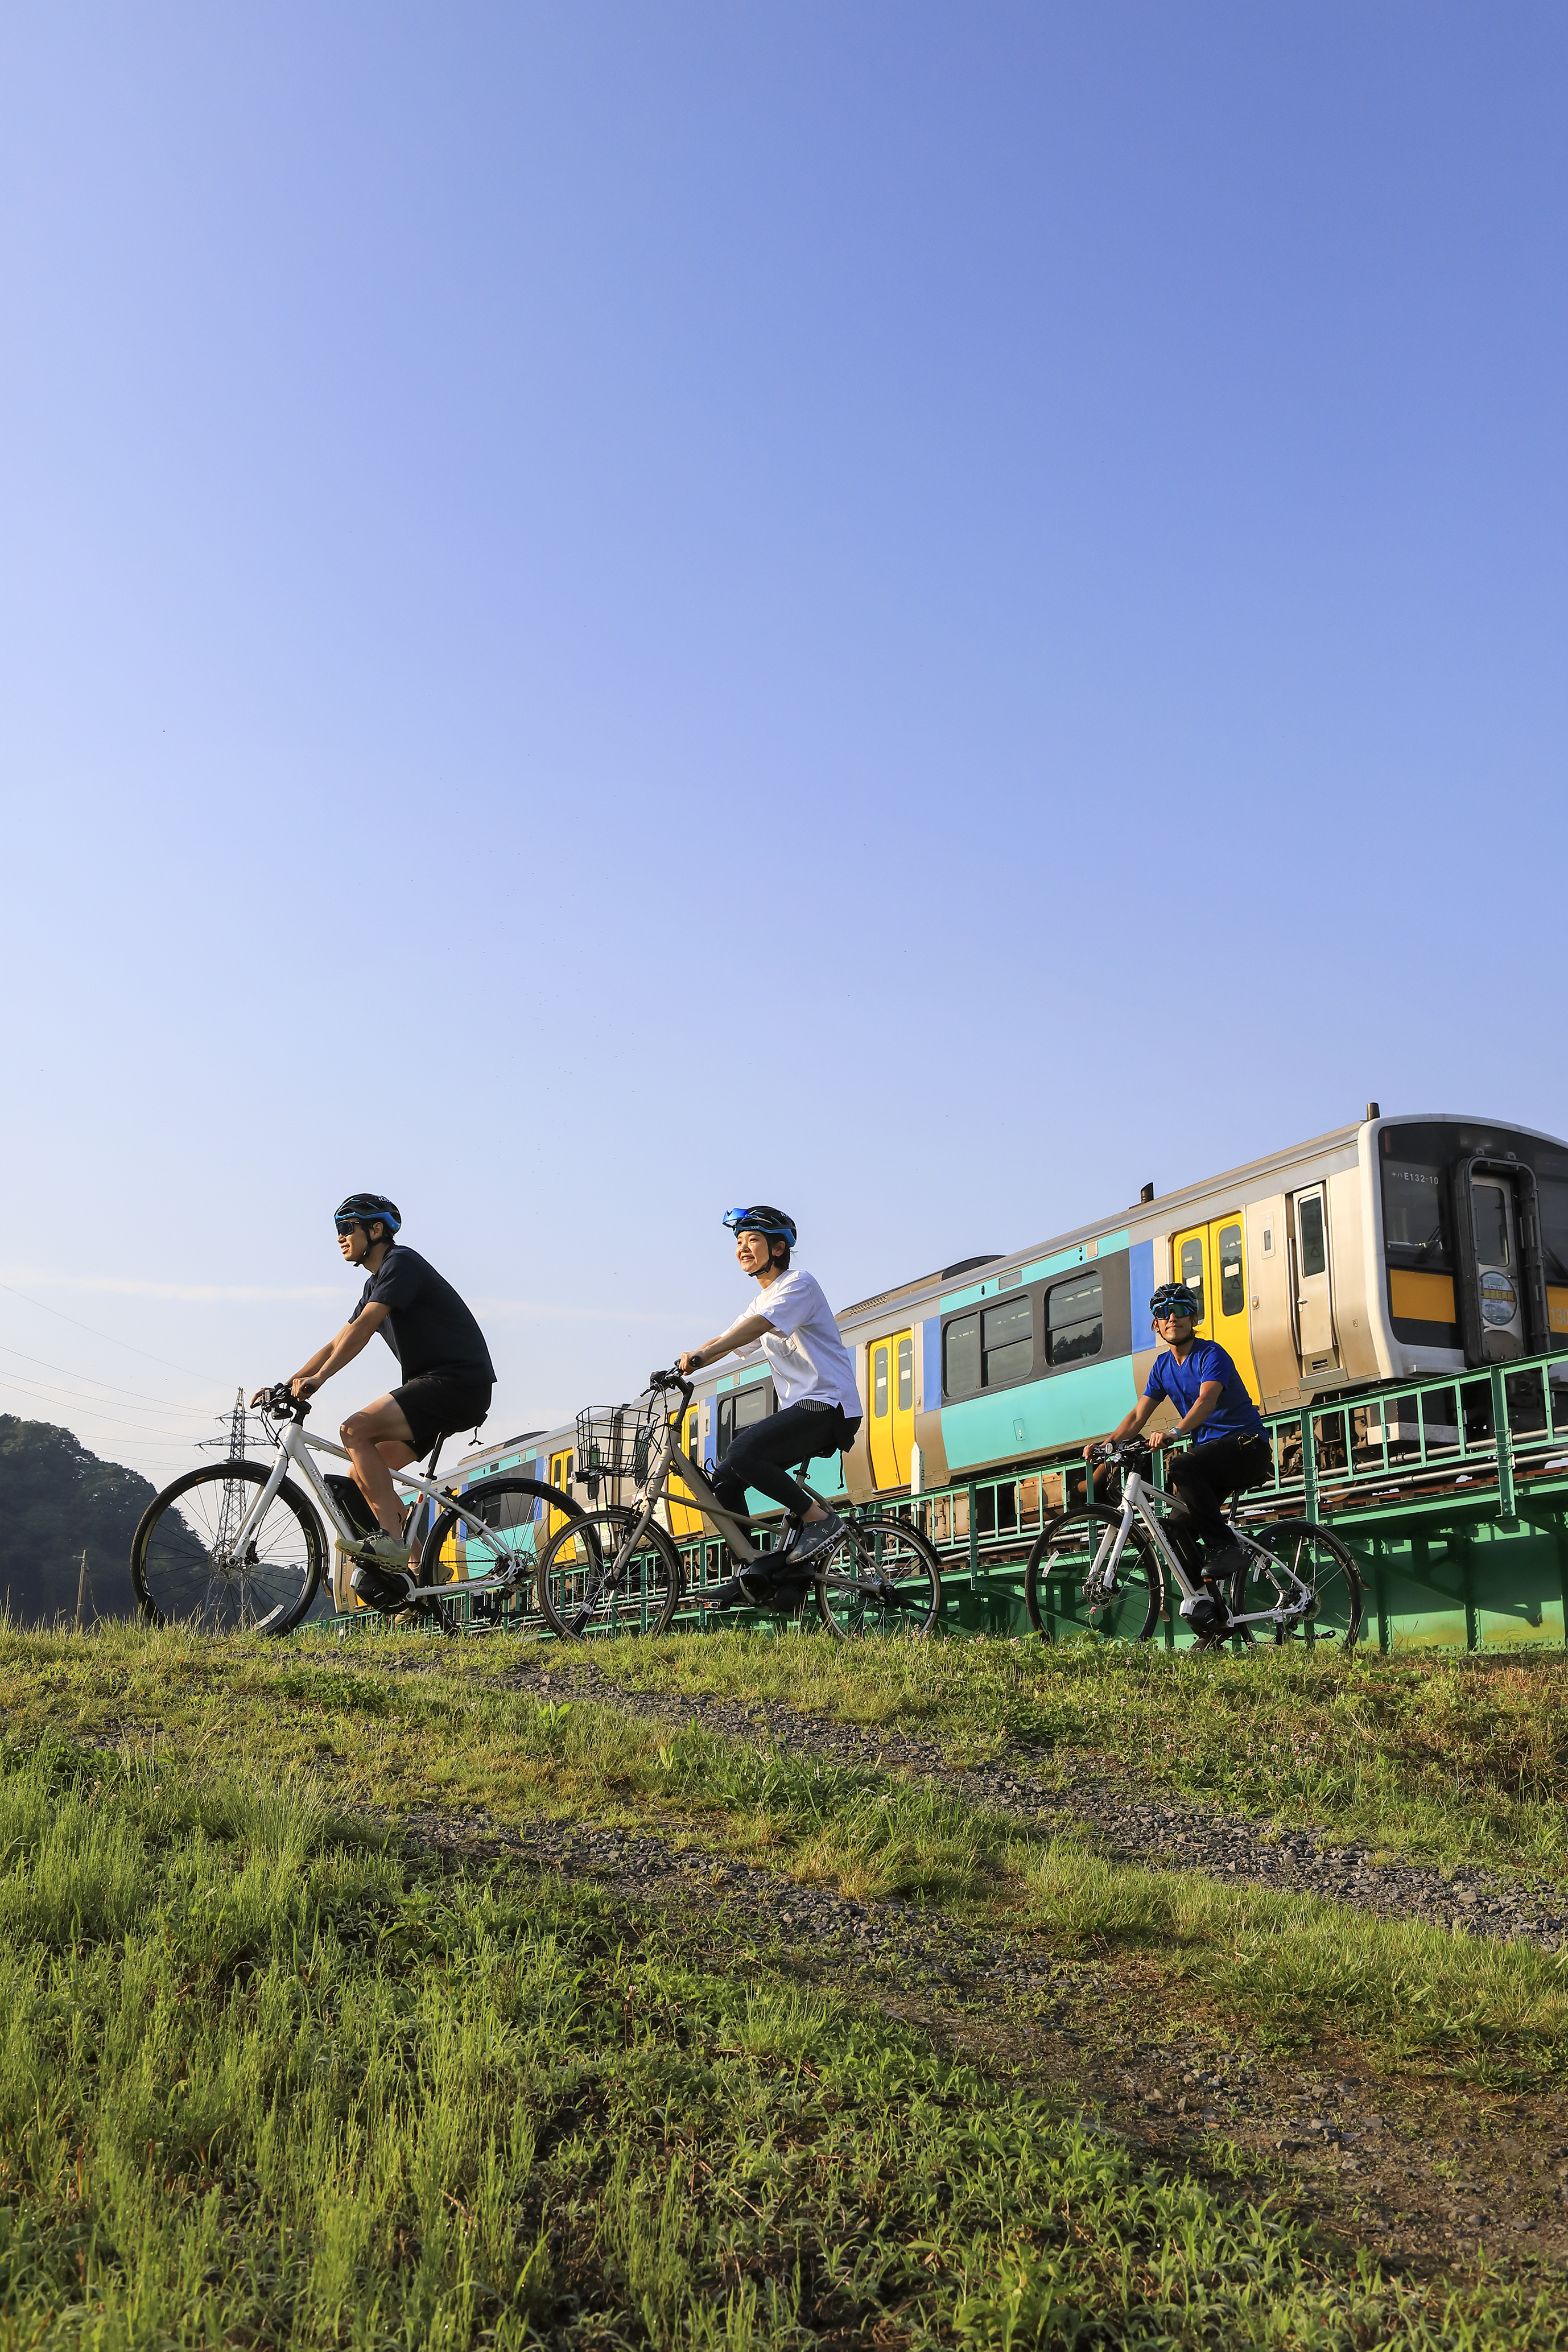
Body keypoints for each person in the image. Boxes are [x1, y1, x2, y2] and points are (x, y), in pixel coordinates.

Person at [253, 1193, 496, 1610]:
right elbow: (338, 1341)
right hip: (437, 1388)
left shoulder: (401, 1264)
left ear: (376, 1230)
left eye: (347, 1227)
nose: (340, 1237)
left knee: (354, 1430)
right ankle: (426, 1572)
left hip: (456, 1383)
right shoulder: (376, 1281)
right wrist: (288, 1382)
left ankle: (392, 1545)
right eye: (337, 1230)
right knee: (364, 1469)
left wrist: (319, 1380)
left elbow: (364, 1328)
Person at [676, 1206, 863, 1611]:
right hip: (805, 1406)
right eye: (739, 1242)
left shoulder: (799, 1285)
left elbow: (757, 1327)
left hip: (829, 1405)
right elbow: (732, 1337)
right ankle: (752, 1572)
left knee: (743, 1451)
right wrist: (693, 1358)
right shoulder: (763, 1299)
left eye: (753, 1241)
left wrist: (705, 1353)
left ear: (778, 1248)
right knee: (724, 1480)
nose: (743, 1248)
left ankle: (818, 1521)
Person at [1087, 1280, 1270, 1638]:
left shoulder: (1211, 1354)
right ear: (1156, 1324)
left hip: (1245, 1447)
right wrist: (1107, 1444)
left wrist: (1176, 1432)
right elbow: (1138, 1416)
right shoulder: (1162, 1366)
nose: (1172, 1318)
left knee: (1182, 1464)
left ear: (1194, 1317)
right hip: (1212, 1459)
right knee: (1171, 1528)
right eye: (1163, 1313)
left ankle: (1225, 1547)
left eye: (1181, 1310)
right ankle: (1211, 1615)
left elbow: (1207, 1401)